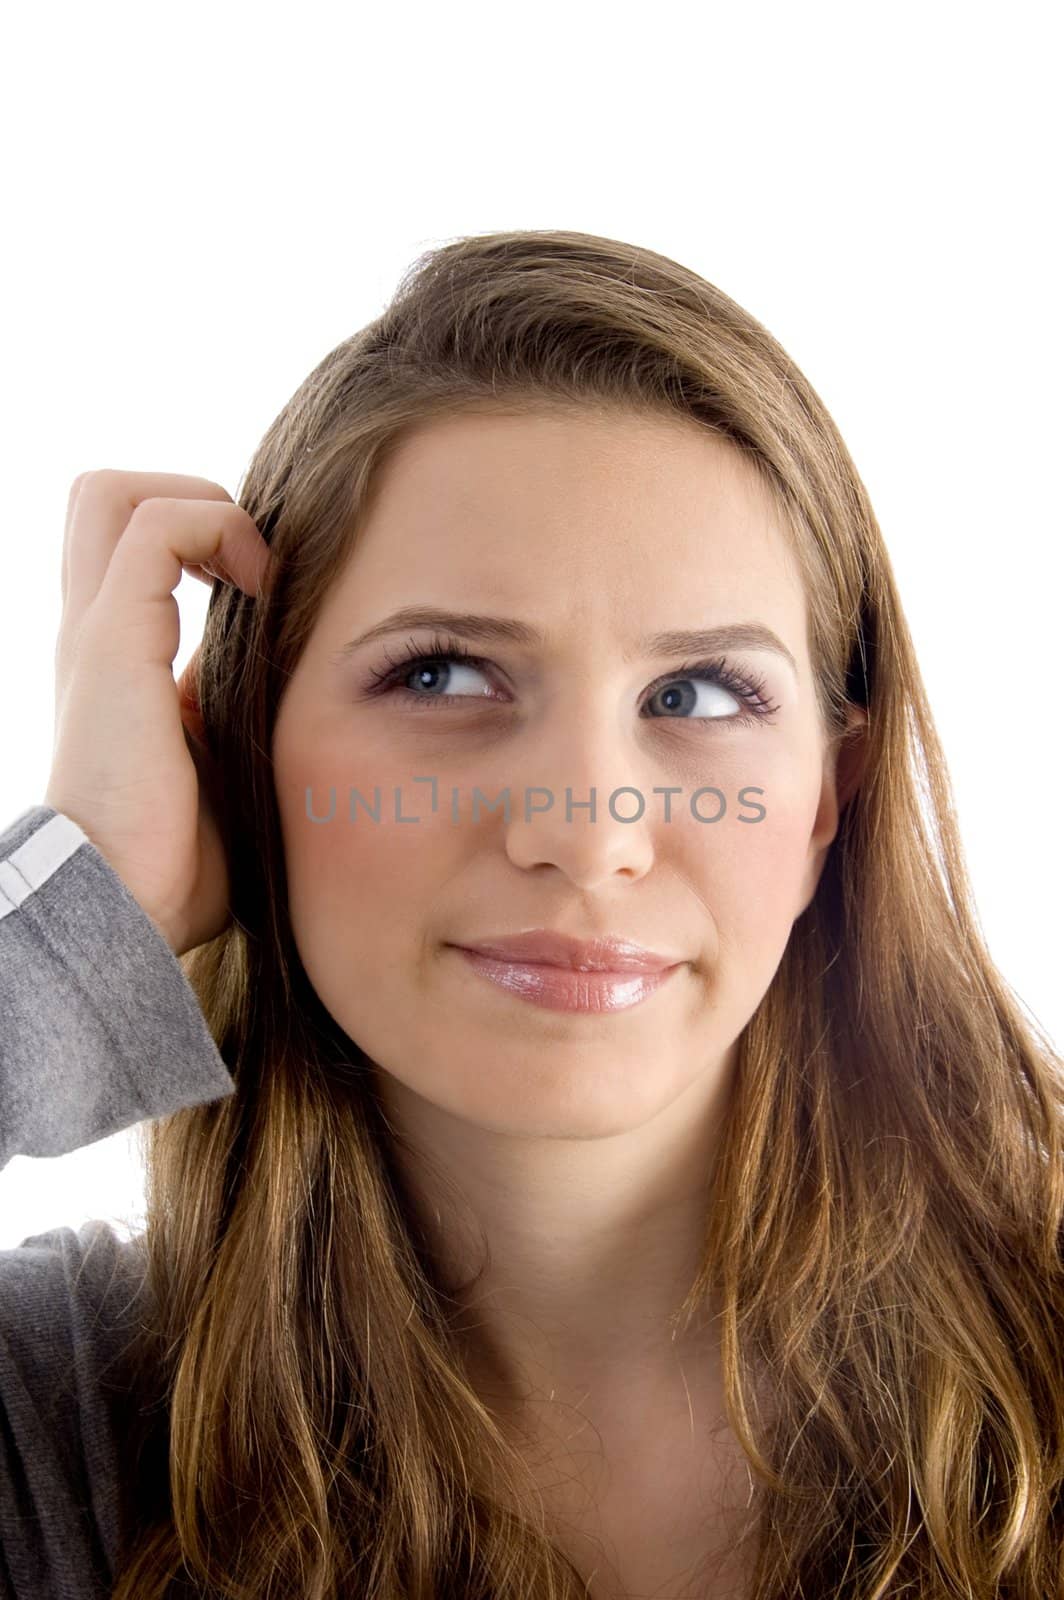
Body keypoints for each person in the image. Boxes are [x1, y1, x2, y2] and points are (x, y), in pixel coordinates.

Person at [1, 228, 1061, 1600]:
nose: (586, 831)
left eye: (696, 697)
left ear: (821, 805)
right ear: (241, 750)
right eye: (442, 676)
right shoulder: (56, 1420)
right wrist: (66, 930)